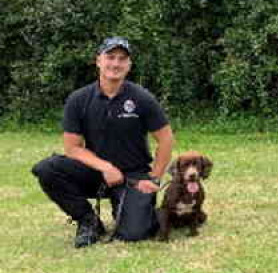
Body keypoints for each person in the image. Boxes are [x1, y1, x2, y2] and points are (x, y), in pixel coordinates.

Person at [32, 37, 174, 248]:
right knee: (46, 169)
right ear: (98, 60)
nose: (115, 64)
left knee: (135, 233)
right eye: (110, 57)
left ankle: (138, 210)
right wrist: (106, 167)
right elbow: (72, 148)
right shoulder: (78, 99)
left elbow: (165, 138)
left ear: (129, 65)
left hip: (133, 176)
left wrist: (154, 178)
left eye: (122, 59)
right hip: (95, 172)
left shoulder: (142, 98)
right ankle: (88, 221)